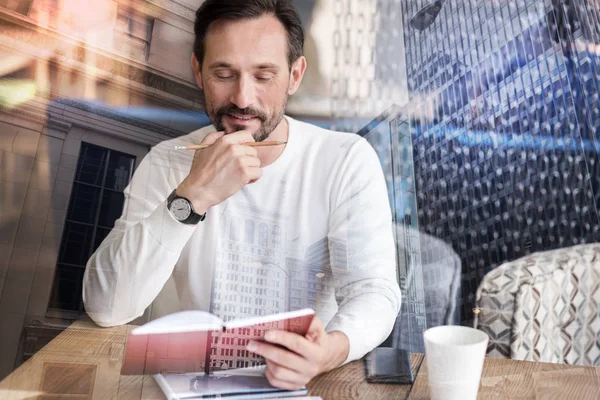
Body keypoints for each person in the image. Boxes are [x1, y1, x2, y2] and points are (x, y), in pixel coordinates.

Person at [83, 0, 401, 390]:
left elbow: (374, 293)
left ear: (295, 75)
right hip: (181, 388)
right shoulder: (168, 162)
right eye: (223, 73)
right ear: (198, 71)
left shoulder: (343, 160)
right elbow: (106, 306)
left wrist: (327, 352)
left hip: (299, 386)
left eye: (264, 76)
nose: (242, 98)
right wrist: (192, 196)